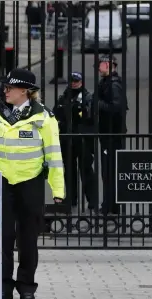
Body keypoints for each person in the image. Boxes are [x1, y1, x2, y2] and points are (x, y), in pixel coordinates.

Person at [0, 68, 65, 299]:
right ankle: (4, 287)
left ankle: (26, 286)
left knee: (28, 239)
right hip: (2, 182)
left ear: (24, 91)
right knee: (3, 237)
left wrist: (58, 190)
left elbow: (54, 155)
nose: (4, 91)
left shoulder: (43, 117)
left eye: (9, 88)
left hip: (30, 183)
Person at [53, 72, 96, 212]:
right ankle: (71, 198)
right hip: (67, 138)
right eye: (72, 81)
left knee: (86, 170)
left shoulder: (87, 97)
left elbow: (90, 117)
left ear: (81, 82)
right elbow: (56, 114)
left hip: (82, 138)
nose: (74, 83)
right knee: (69, 170)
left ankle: (92, 200)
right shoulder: (64, 97)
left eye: (76, 81)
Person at [96, 54, 128, 215]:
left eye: (100, 64)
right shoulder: (107, 83)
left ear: (109, 65)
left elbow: (116, 107)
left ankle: (110, 206)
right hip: (108, 134)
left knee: (110, 171)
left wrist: (97, 103)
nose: (98, 67)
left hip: (113, 135)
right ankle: (110, 205)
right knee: (108, 171)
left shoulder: (114, 85)